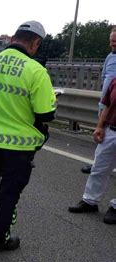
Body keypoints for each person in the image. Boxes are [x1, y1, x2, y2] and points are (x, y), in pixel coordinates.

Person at [0, 21, 56, 253]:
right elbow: (46, 113)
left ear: (12, 39)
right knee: (9, 193)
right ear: (36, 43)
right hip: (19, 146)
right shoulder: (36, 71)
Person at [68, 77, 116, 224]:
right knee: (98, 168)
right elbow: (107, 106)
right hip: (111, 130)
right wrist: (100, 126)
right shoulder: (115, 81)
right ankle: (90, 201)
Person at [81, 27, 116, 174]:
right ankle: (98, 163)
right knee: (101, 134)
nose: (112, 44)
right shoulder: (109, 57)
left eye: (115, 41)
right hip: (105, 103)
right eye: (111, 41)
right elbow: (104, 78)